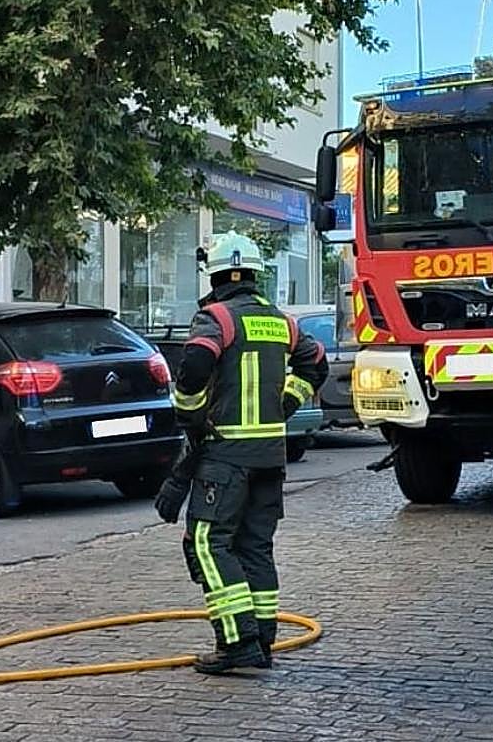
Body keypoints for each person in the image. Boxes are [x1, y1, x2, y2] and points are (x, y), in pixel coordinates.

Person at [154, 231, 328, 675]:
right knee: (255, 546)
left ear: (214, 276)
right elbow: (317, 363)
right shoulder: (280, 321)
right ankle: (262, 642)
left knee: (208, 544)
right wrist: (287, 403)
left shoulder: (216, 317)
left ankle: (237, 642)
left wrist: (189, 416)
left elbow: (194, 368)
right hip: (270, 456)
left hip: (226, 456)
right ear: (256, 274)